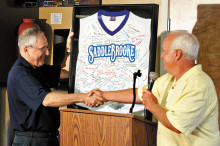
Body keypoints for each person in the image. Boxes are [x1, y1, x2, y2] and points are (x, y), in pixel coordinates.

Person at [91, 30, 220, 146]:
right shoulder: (169, 79)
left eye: (164, 51)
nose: (161, 56)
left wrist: (153, 106)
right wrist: (103, 95)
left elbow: (176, 125)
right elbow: (140, 94)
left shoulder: (198, 84)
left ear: (177, 54)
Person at [7, 28, 105, 146]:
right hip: (31, 141)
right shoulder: (20, 74)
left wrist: (69, 48)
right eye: (43, 48)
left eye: (47, 47)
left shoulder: (37, 68)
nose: (47, 52)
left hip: (48, 139)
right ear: (26, 49)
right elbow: (47, 100)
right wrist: (84, 97)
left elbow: (66, 71)